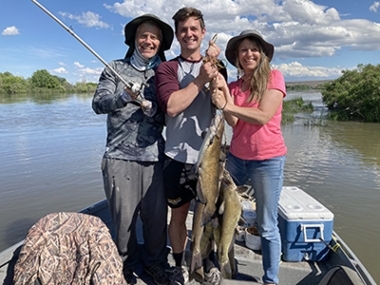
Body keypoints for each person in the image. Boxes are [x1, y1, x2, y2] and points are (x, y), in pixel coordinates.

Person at [92, 14, 174, 285]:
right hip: (118, 156)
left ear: (160, 43)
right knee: (124, 221)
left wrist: (153, 112)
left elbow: (171, 114)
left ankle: (156, 263)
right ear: (134, 40)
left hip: (154, 158)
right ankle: (125, 265)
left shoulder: (164, 72)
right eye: (143, 35)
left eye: (154, 37)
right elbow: (98, 103)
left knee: (155, 219)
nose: (148, 41)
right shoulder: (114, 68)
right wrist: (123, 97)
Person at [155, 7, 225, 285]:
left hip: (210, 156)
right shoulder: (167, 68)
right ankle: (180, 264)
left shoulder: (217, 66)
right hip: (176, 157)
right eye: (183, 29)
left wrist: (215, 75)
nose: (189, 34)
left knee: (210, 214)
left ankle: (210, 263)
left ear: (203, 32)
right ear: (177, 35)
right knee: (179, 215)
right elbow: (172, 106)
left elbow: (223, 104)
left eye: (194, 28)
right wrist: (200, 79)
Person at [211, 29, 287, 285]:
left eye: (254, 49)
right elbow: (233, 120)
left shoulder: (274, 78)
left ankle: (271, 280)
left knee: (267, 224)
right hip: (236, 158)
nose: (249, 54)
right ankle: (225, 265)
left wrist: (227, 105)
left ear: (263, 54)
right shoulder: (235, 86)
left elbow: (263, 115)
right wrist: (222, 91)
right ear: (237, 56)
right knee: (224, 215)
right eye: (243, 50)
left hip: (268, 160)